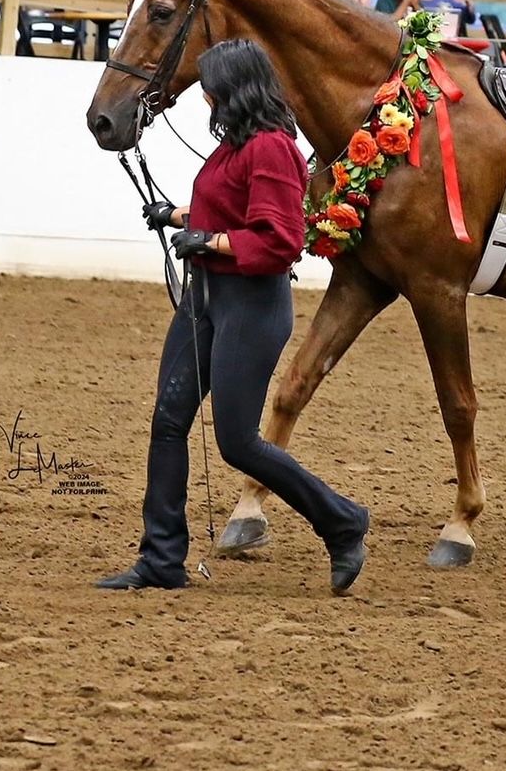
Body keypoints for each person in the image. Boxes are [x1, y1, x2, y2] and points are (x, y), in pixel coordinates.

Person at [96, 39, 370, 595]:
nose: (205, 99)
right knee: (169, 421)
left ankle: (342, 521)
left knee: (238, 442)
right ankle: (161, 559)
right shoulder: (234, 146)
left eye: (212, 89)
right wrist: (175, 214)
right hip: (209, 297)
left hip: (251, 304)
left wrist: (210, 240)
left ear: (235, 90)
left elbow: (280, 241)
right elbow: (228, 210)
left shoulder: (271, 148)